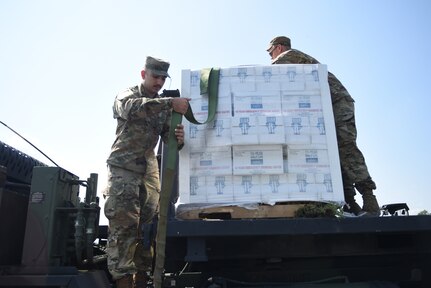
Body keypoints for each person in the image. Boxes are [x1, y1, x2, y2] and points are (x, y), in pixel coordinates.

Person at [266, 36, 379, 216]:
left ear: (278, 48)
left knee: (346, 148)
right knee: (332, 154)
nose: (271, 57)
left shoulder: (289, 56)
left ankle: (369, 197)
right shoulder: (293, 62)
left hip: (337, 103)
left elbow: (263, 75)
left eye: (271, 53)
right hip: (324, 107)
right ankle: (349, 201)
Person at [103, 56, 190, 288]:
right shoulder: (128, 95)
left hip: (148, 171)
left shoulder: (162, 105)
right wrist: (170, 103)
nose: (159, 82)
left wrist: (178, 139)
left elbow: (167, 136)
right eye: (155, 77)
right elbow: (130, 109)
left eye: (163, 78)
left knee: (146, 233)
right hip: (124, 168)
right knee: (124, 232)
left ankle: (142, 281)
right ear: (144, 75)